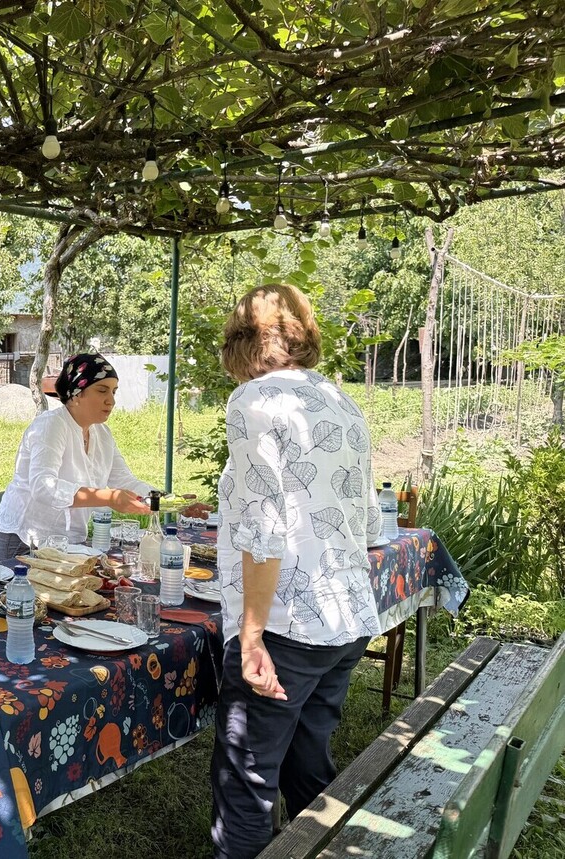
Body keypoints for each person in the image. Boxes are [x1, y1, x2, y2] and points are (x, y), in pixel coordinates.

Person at [210, 284, 383, 859]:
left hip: (287, 624)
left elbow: (264, 529)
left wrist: (253, 634)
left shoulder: (254, 401)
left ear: (240, 341)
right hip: (346, 615)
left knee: (248, 782)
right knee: (310, 769)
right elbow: (368, 524)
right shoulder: (341, 401)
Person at [0, 352, 153, 566]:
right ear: (76, 394)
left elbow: (124, 481)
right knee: (25, 598)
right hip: (24, 538)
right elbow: (43, 487)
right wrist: (109, 497)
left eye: (114, 392)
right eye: (102, 390)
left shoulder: (102, 434)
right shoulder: (51, 425)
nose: (111, 400)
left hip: (70, 541)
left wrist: (171, 501)